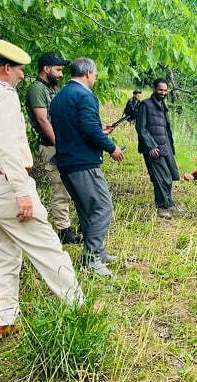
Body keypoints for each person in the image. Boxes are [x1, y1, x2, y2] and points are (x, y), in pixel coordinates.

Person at [0, 39, 84, 341]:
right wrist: (21, 191)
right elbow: (8, 147)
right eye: (20, 69)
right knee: (48, 248)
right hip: (5, 186)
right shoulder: (2, 96)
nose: (23, 75)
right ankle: (79, 309)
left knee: (3, 253)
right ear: (6, 67)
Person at [50, 57, 124, 277]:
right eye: (96, 73)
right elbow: (88, 129)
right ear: (89, 73)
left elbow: (78, 126)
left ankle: (98, 251)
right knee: (102, 207)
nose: (96, 77)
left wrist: (98, 129)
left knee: (86, 209)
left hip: (66, 160)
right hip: (83, 163)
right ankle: (91, 258)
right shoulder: (85, 95)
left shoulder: (60, 96)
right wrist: (111, 147)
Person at [24, 52, 81, 245]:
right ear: (46, 68)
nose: (60, 74)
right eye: (57, 70)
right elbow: (42, 120)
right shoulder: (37, 89)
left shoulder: (53, 88)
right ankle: (63, 230)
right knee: (60, 187)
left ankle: (71, 225)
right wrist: (60, 144)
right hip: (52, 147)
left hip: (63, 145)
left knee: (70, 186)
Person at [135, 79, 181, 219]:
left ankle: (169, 202)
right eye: (160, 90)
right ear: (155, 89)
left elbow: (166, 129)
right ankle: (162, 207)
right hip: (153, 148)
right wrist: (151, 146)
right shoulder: (145, 105)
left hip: (165, 145)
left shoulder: (163, 106)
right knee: (161, 177)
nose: (163, 92)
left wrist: (170, 147)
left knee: (170, 174)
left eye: (165, 90)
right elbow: (141, 128)